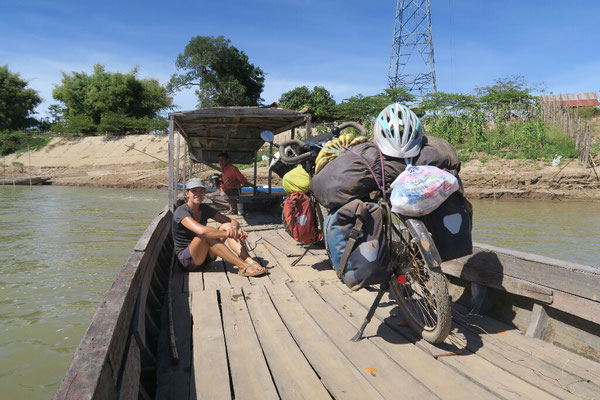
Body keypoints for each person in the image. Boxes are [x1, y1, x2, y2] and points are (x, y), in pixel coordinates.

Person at [172, 178, 267, 277]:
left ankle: (248, 259)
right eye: (194, 191)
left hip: (205, 257)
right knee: (205, 234)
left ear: (204, 193)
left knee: (227, 226)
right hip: (188, 261)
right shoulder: (181, 211)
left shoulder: (204, 208)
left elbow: (232, 221)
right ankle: (243, 266)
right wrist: (228, 234)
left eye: (201, 191)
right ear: (187, 193)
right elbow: (203, 231)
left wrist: (234, 229)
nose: (198, 193)